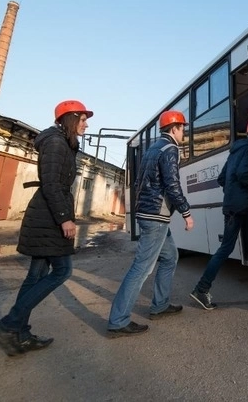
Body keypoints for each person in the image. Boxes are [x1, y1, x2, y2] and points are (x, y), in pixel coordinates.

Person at [0, 100, 91, 356]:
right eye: (82, 119)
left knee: (35, 276)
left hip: (48, 215)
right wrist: (64, 219)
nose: (86, 124)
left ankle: (20, 335)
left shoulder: (63, 143)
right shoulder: (56, 143)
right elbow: (52, 184)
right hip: (48, 217)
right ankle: (9, 324)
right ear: (70, 120)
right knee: (62, 270)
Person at [107, 110, 194, 337]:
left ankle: (160, 304)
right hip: (156, 216)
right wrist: (186, 212)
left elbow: (139, 182)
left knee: (170, 257)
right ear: (174, 129)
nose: (184, 131)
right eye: (182, 127)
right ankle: (118, 320)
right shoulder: (171, 149)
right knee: (142, 267)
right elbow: (172, 184)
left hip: (148, 213)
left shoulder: (152, 149)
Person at [189, 118, 248, 311]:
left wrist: (234, 195)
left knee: (225, 248)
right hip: (244, 203)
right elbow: (243, 174)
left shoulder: (234, 151)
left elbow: (222, 178)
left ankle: (202, 288)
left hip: (231, 206)